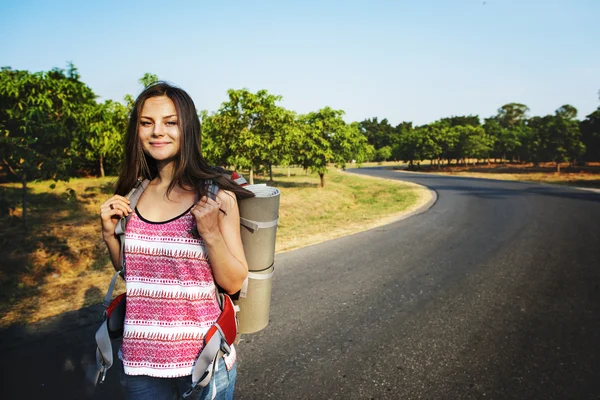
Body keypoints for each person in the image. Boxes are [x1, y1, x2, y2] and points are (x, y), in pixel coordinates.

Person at [99, 82, 254, 400]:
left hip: (204, 363)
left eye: (170, 122)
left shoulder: (216, 197)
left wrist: (210, 232)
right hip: (141, 363)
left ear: (188, 128)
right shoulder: (133, 194)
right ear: (137, 131)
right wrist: (107, 234)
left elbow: (235, 281)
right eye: (147, 123)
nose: (158, 131)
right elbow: (135, 275)